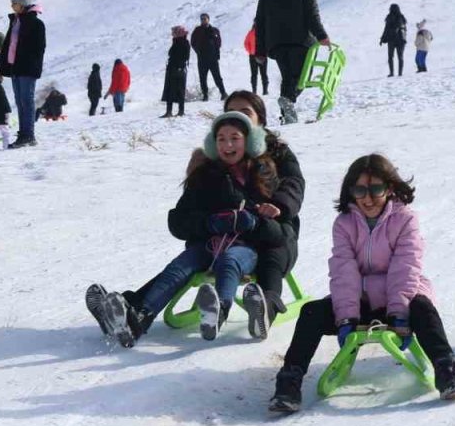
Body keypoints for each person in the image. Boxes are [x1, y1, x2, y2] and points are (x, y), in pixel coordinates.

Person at [268, 154, 455, 413]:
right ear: (351, 192)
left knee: (423, 308)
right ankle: (288, 384)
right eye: (360, 189)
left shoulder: (404, 219)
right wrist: (346, 318)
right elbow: (344, 271)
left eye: (376, 188)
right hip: (360, 302)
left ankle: (447, 371)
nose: (368, 197)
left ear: (390, 188)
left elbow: (405, 267)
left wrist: (398, 314)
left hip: (400, 299)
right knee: (311, 313)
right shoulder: (344, 224)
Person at [85, 112, 287, 345]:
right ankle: (140, 318)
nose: (227, 144)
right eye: (221, 138)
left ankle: (218, 310)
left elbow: (278, 229)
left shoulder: (264, 173)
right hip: (208, 244)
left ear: (249, 141)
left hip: (247, 248)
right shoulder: (206, 175)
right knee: (179, 267)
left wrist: (254, 221)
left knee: (229, 261)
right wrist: (208, 223)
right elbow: (179, 220)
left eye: (235, 138)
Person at [145, 91, 306, 339]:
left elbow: (294, 183)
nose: (237, 118)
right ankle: (137, 305)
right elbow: (188, 209)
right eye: (232, 111)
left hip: (273, 226)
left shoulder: (276, 153)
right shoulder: (216, 160)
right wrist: (210, 222)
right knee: (189, 260)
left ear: (260, 119)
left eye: (246, 113)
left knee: (271, 257)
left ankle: (266, 306)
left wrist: (278, 207)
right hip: (226, 234)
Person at [253, 0, 330, 125]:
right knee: (302, 79)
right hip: (300, 42)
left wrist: (260, 50)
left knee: (288, 78)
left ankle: (287, 117)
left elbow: (259, 24)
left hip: (277, 45)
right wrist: (322, 36)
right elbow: (312, 17)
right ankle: (288, 103)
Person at [0, 0, 45, 149]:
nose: (12, 6)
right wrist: (6, 66)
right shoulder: (16, 22)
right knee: (20, 102)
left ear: (24, 3)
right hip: (15, 68)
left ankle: (29, 135)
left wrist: (28, 64)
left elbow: (38, 49)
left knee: (27, 101)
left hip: (27, 69)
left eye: (15, 3)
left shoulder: (36, 24)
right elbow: (9, 45)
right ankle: (23, 134)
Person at [191, 13, 226, 101]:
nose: (203, 20)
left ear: (208, 19)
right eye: (202, 19)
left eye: (205, 18)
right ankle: (205, 95)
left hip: (213, 58)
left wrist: (216, 52)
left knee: (217, 76)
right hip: (202, 58)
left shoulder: (214, 30)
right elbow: (193, 42)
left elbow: (218, 42)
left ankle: (223, 93)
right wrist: (198, 51)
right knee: (202, 78)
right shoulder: (197, 30)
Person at [163, 27, 190, 118]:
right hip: (173, 69)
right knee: (171, 90)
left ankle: (180, 111)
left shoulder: (183, 43)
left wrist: (179, 66)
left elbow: (185, 56)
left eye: (174, 32)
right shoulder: (176, 42)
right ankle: (169, 111)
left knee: (179, 90)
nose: (172, 34)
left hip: (179, 69)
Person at [380, 4, 407, 77]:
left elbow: (387, 29)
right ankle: (397, 73)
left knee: (393, 57)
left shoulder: (398, 17)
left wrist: (383, 38)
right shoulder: (400, 17)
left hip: (394, 39)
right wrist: (382, 38)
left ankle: (395, 73)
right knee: (397, 57)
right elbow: (386, 29)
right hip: (398, 40)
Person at [244, 26, 268, 95]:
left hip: (256, 55)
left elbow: (246, 43)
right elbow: (246, 43)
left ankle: (258, 90)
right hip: (260, 55)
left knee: (257, 74)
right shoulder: (263, 32)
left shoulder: (252, 32)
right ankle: (262, 91)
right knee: (261, 74)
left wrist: (251, 51)